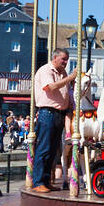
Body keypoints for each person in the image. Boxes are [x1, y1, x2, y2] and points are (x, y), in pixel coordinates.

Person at [31, 48, 75, 193]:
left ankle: (45, 180)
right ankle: (37, 182)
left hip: (59, 114)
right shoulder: (46, 71)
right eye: (63, 59)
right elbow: (50, 87)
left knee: (52, 150)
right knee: (44, 148)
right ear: (55, 57)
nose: (65, 62)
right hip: (47, 113)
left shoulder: (62, 74)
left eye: (67, 59)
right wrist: (69, 79)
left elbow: (65, 91)